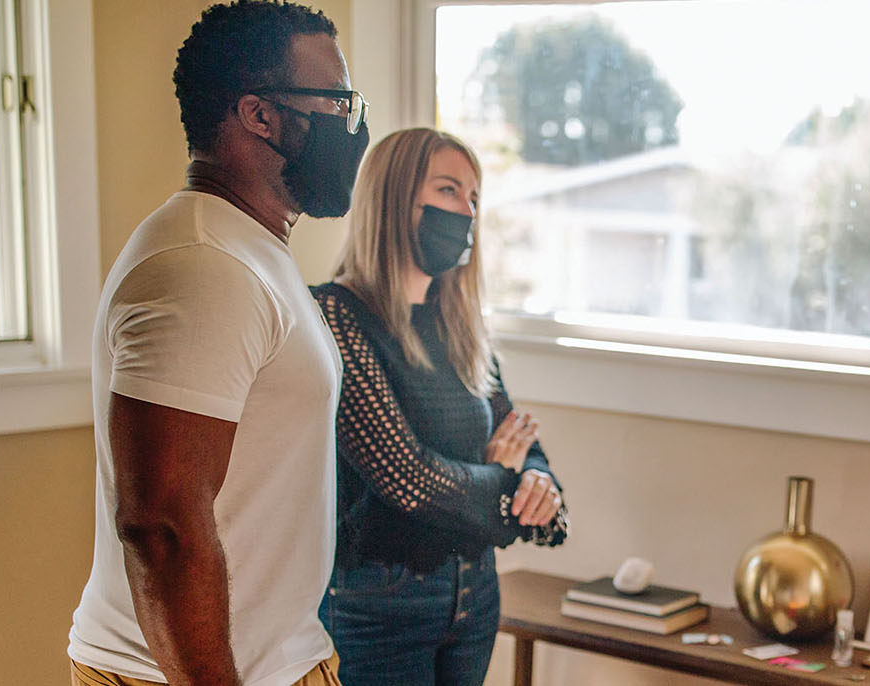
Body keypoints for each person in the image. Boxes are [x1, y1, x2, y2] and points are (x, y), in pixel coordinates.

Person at [66, 2, 369, 684]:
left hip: (280, 661)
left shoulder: (249, 248)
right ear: (261, 115)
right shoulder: (206, 266)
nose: (352, 124)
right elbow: (160, 529)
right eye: (338, 100)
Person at [312, 127, 568, 686]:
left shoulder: (462, 327)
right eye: (449, 191)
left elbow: (522, 437)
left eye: (474, 198)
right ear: (393, 196)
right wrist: (504, 476)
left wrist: (539, 481)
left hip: (475, 595)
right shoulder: (335, 317)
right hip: (379, 604)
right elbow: (407, 478)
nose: (467, 211)